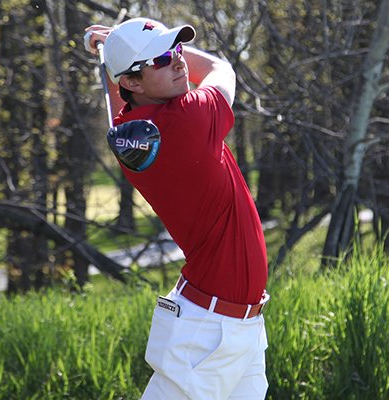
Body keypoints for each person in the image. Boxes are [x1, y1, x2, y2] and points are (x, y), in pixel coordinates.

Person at [85, 17, 269, 400]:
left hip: (234, 327)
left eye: (178, 50)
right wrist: (112, 52)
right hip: (206, 332)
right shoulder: (188, 118)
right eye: (162, 59)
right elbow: (221, 69)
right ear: (133, 82)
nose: (180, 61)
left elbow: (124, 96)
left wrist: (115, 58)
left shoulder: (132, 131)